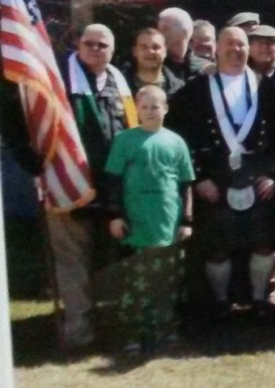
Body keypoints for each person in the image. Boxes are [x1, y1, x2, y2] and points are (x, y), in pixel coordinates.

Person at [170, 27, 275, 319]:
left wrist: (273, 174)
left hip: (258, 177)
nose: (236, 50)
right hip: (214, 177)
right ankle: (222, 301)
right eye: (230, 44)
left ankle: (261, 301)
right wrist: (198, 177)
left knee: (263, 242)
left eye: (242, 44)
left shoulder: (268, 87)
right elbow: (182, 138)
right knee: (216, 247)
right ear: (217, 49)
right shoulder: (195, 90)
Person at [52, 23, 139, 348]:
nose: (95, 49)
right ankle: (79, 332)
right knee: (73, 261)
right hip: (72, 184)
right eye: (89, 43)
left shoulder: (120, 81)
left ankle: (115, 328)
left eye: (103, 45)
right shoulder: (58, 78)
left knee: (115, 259)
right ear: (77, 44)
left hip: (115, 187)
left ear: (113, 50)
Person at [104, 85, 194, 353]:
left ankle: (166, 330)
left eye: (156, 106)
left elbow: (186, 184)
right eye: (144, 107)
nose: (150, 111)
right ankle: (134, 333)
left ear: (165, 108)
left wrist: (187, 221)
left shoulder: (176, 142)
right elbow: (112, 181)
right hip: (137, 220)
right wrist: (115, 216)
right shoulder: (125, 140)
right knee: (137, 279)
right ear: (136, 110)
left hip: (167, 220)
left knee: (167, 278)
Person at [124, 28, 185, 96]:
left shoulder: (180, 90)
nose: (150, 51)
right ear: (134, 51)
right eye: (144, 47)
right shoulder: (119, 86)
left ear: (165, 51)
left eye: (155, 47)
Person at [159, 7, 211, 81]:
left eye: (165, 29)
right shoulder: (155, 66)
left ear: (184, 32)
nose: (159, 34)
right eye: (159, 29)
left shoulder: (205, 68)